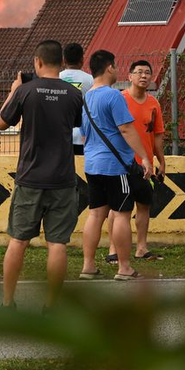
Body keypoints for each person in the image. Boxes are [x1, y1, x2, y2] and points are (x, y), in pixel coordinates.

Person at [0, 39, 83, 309]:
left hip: (30, 178)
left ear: (37, 62)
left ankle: (8, 302)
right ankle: (51, 306)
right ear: (61, 62)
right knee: (57, 244)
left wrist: (14, 91)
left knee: (18, 241)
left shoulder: (26, 91)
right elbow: (77, 123)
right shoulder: (73, 94)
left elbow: (1, 122)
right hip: (63, 179)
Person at [79, 49, 154, 281]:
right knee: (121, 214)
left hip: (92, 165)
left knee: (95, 214)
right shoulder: (113, 97)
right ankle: (124, 267)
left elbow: (83, 135)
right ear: (110, 67)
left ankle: (88, 266)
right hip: (115, 166)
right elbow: (126, 129)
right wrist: (144, 157)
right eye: (116, 66)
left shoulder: (86, 98)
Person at [107, 58, 165, 263]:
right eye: (139, 72)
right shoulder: (119, 99)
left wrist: (161, 161)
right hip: (122, 163)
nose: (143, 76)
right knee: (118, 207)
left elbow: (157, 135)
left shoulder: (154, 103)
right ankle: (113, 249)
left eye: (147, 72)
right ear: (129, 76)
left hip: (146, 165)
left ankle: (141, 248)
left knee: (144, 205)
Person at [59, 43, 92, 156]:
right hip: (83, 135)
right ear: (82, 60)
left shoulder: (57, 78)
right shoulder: (90, 80)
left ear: (64, 60)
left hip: (60, 134)